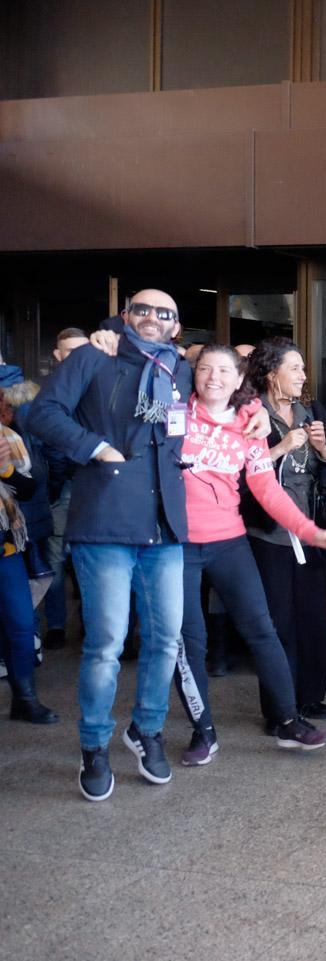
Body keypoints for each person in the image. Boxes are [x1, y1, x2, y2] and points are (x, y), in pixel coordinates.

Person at [29, 290, 192, 800]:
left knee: (166, 639)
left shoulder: (181, 368)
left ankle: (147, 730)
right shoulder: (94, 356)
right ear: (125, 317)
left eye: (164, 313)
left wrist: (252, 413)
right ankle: (94, 746)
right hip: (105, 518)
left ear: (176, 326)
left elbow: (224, 394)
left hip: (164, 523)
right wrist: (96, 448)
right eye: (141, 309)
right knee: (106, 644)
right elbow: (42, 412)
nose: (152, 318)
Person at [175, 345, 326, 762]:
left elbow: (266, 488)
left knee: (263, 631)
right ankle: (202, 731)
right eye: (205, 369)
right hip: (176, 547)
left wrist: (311, 531)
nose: (213, 377)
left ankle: (288, 721)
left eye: (224, 371)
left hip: (229, 542)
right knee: (189, 642)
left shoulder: (248, 422)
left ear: (239, 379)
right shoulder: (175, 415)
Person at [244, 337, 326, 722]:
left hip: (310, 531)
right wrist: (281, 447)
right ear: (272, 374)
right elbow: (238, 470)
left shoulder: (310, 411)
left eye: (303, 368)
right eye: (296, 368)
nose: (304, 375)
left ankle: (310, 697)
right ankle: (280, 709)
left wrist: (322, 449)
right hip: (269, 534)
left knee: (312, 619)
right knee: (278, 623)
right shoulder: (251, 414)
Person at [1, 412, 57, 724]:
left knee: (21, 625)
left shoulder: (7, 438)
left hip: (5, 547)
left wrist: (6, 469)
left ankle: (25, 699)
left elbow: (28, 489)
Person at [39, 328, 89, 649]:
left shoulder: (100, 385)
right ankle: (57, 625)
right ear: (57, 355)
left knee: (89, 560)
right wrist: (55, 488)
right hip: (63, 486)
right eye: (69, 351)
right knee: (55, 560)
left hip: (92, 487)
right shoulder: (49, 391)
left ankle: (87, 624)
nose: (76, 357)